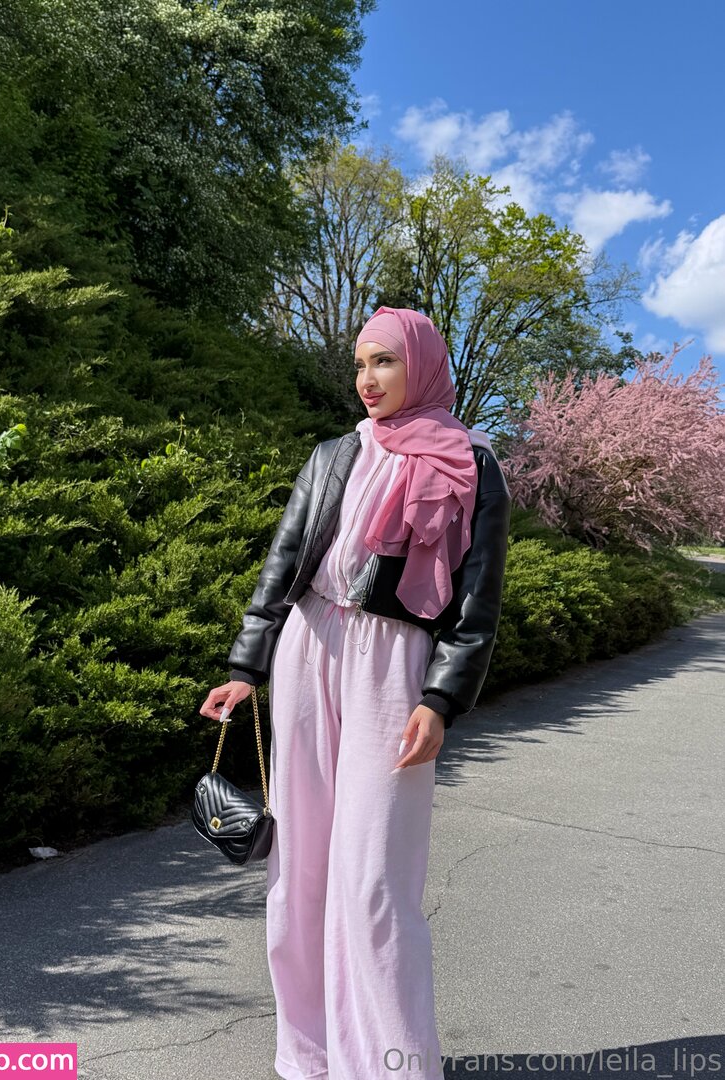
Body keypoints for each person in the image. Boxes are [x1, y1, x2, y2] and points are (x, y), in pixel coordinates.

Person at [199, 307, 511, 1080]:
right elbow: (283, 564)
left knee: (375, 877)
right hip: (308, 646)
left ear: (422, 365)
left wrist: (440, 700)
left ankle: (391, 1064)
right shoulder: (336, 453)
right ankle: (309, 1054)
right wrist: (245, 666)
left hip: (394, 664)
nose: (367, 380)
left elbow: (478, 602)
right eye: (360, 364)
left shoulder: (473, 465)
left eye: (384, 362)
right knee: (299, 864)